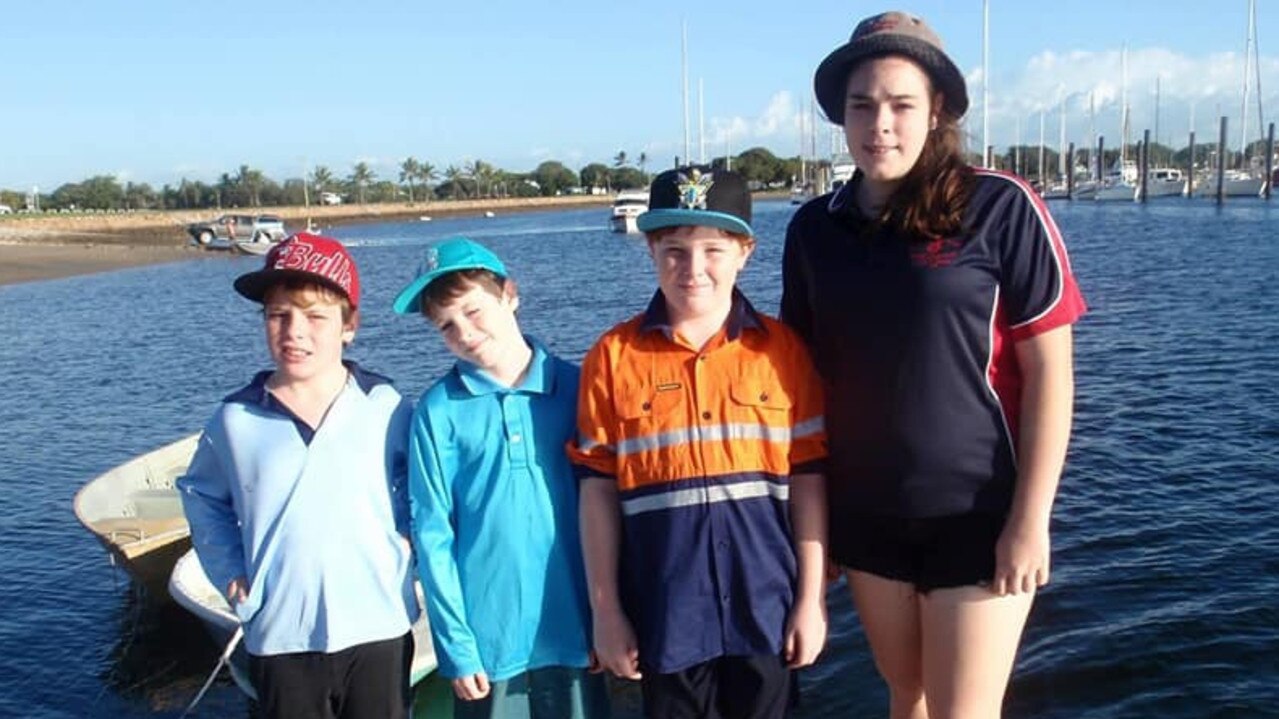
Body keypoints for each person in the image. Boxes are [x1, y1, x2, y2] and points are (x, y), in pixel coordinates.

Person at [782, 11, 1088, 719]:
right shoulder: (813, 230)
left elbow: (1050, 373)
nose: (878, 124)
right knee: (904, 697)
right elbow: (803, 386)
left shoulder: (999, 206)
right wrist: (815, 528)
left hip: (977, 513)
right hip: (866, 515)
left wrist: (1029, 518)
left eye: (900, 104)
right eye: (861, 105)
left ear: (937, 110)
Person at [570, 167, 829, 719]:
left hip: (767, 609)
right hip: (665, 614)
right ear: (649, 250)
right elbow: (596, 491)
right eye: (673, 249)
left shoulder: (782, 353)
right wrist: (606, 609)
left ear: (745, 252)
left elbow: (808, 482)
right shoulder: (612, 358)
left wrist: (811, 599)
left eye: (713, 249)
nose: (693, 268)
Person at [177, 232, 418, 719]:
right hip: (280, 633)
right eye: (278, 315)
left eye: (315, 317)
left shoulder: (386, 406)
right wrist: (230, 572)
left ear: (350, 325)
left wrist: (408, 545)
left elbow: (422, 488)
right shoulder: (235, 419)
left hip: (379, 625)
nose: (295, 332)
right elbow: (201, 495)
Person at [393, 237, 610, 719]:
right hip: (488, 644)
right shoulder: (436, 411)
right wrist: (456, 645)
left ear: (510, 294)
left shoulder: (581, 388)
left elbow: (612, 511)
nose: (464, 333)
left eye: (473, 312)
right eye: (446, 325)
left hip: (577, 627)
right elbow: (433, 537)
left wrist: (610, 616)